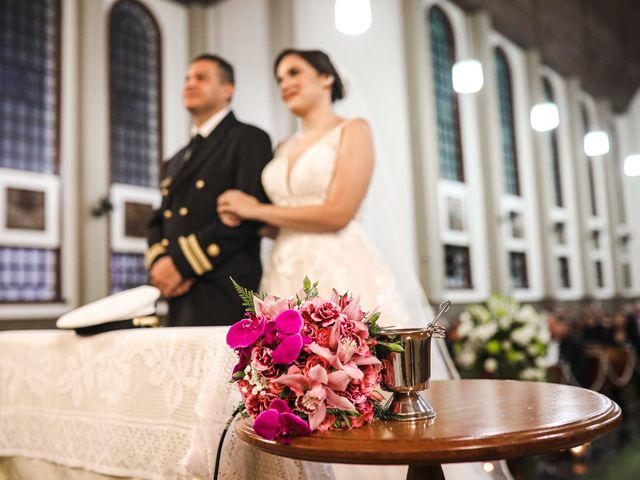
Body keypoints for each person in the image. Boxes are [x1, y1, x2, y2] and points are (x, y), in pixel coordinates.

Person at [217, 49, 507, 480]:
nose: (285, 83)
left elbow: (337, 212)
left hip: (341, 268)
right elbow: (286, 222)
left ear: (326, 79)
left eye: (295, 72)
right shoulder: (283, 146)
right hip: (284, 273)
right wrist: (243, 218)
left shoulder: (352, 131)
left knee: (356, 387)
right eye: (280, 77)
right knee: (296, 389)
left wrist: (255, 209)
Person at [146, 54, 272, 326]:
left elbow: (247, 219)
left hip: (224, 286)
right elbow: (159, 219)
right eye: (187, 79)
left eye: (201, 78)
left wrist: (180, 265)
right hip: (178, 290)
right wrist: (160, 264)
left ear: (227, 90)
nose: (189, 84)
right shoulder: (176, 160)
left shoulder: (249, 139)